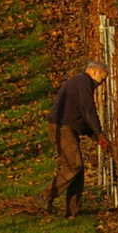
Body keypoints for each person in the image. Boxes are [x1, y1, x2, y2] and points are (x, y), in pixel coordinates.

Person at [42, 60, 108, 217]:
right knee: (74, 165)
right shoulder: (83, 82)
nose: (102, 84)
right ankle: (45, 196)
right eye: (103, 79)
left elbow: (81, 119)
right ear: (95, 72)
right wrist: (99, 133)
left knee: (78, 169)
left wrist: (100, 140)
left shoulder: (78, 82)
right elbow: (88, 110)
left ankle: (74, 211)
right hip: (62, 128)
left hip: (66, 127)